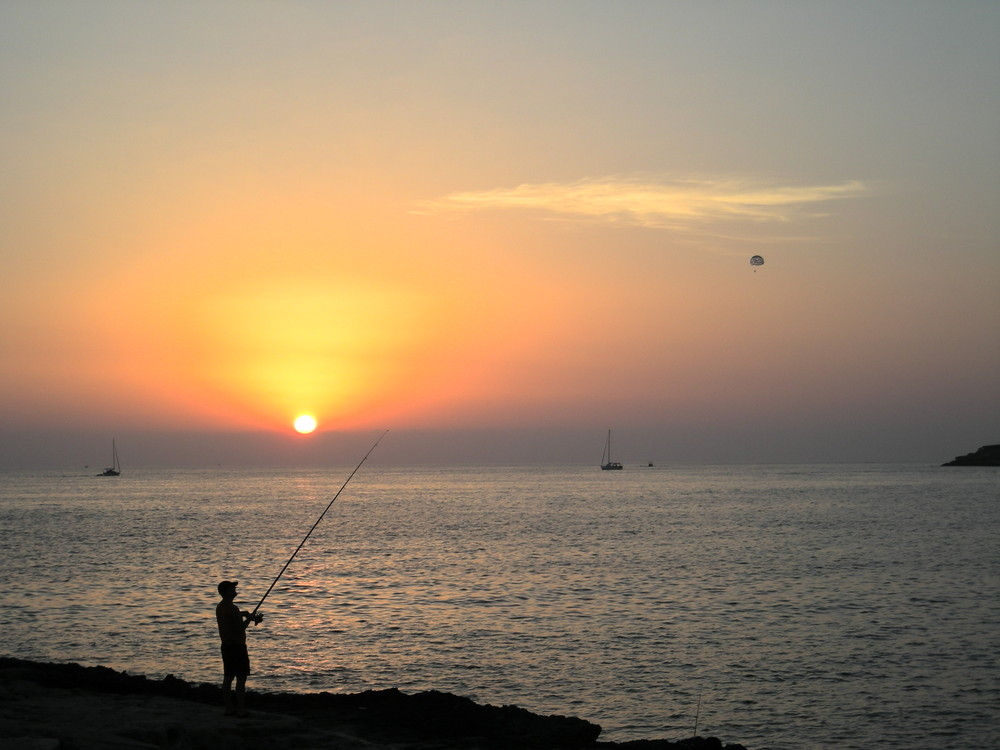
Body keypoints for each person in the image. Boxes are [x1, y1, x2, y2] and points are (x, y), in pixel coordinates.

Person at [215, 580, 262, 716]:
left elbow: (230, 618)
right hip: (237, 647)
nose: (235, 589)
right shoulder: (232, 608)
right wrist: (250, 618)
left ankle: (229, 708)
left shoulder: (221, 606)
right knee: (241, 678)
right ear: (227, 592)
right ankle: (241, 710)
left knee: (228, 677)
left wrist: (244, 614)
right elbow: (239, 629)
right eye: (232, 588)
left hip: (226, 646)